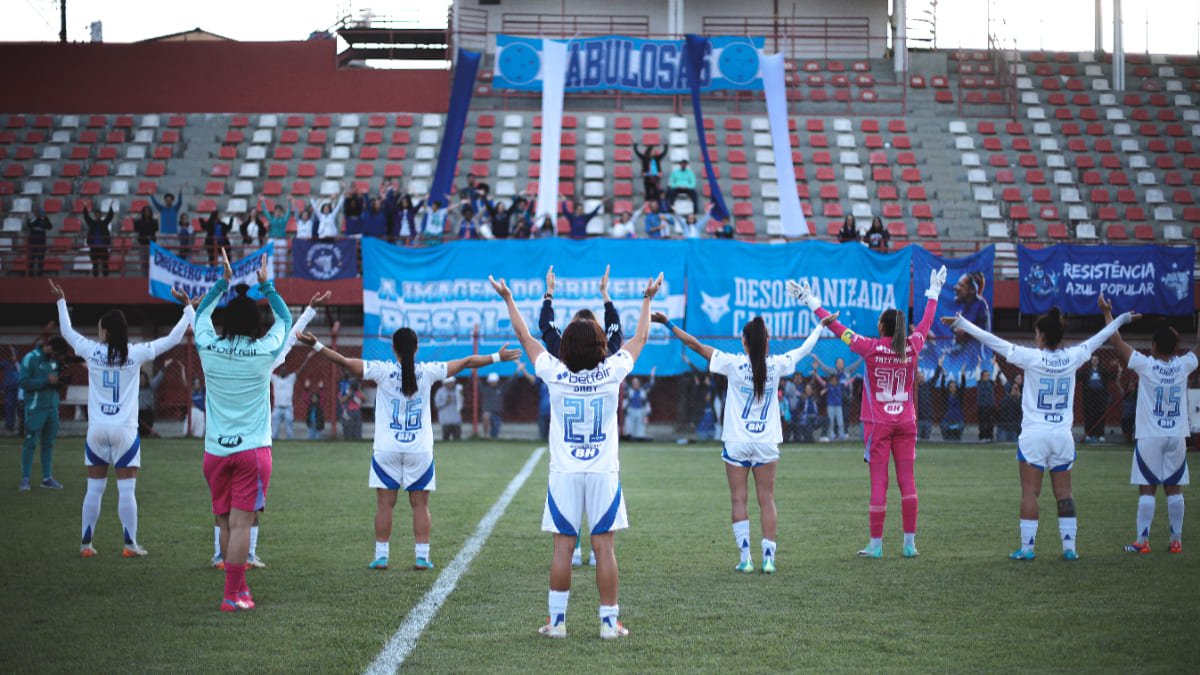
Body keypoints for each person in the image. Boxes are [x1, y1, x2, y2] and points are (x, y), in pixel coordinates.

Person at [490, 269, 661, 640]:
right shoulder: (613, 369)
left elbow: (525, 335)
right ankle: (608, 623)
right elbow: (642, 336)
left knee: (563, 548)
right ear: (601, 342)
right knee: (604, 548)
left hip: (565, 473)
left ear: (565, 344)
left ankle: (557, 622)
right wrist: (647, 297)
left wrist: (509, 299)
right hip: (603, 472)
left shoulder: (554, 371)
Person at [297, 328, 518, 571]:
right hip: (419, 449)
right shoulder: (428, 372)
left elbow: (344, 362)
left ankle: (381, 555)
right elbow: (467, 362)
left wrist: (316, 345)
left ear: (394, 349)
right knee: (421, 505)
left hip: (386, 448)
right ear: (416, 348)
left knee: (384, 504)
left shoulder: (382, 371)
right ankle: (422, 556)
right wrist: (497, 357)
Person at [944, 300, 1136, 561]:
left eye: (1036, 334)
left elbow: (994, 341)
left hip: (1034, 435)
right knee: (1065, 494)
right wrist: (1121, 318)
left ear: (1043, 337)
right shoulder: (1074, 355)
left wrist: (962, 324)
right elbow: (1100, 337)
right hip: (1061, 436)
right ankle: (1069, 548)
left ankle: (1027, 549)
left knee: (1030, 493)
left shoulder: (1032, 357)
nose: (1034, 338)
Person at [655, 306, 830, 574]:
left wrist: (667, 324)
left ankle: (746, 558)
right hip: (766, 441)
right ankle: (769, 559)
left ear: (744, 341)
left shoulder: (733, 363)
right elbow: (804, 349)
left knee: (739, 499)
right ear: (767, 342)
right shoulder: (776, 365)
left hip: (737, 441)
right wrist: (820, 326)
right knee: (767, 499)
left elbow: (694, 344)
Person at [790, 266, 946, 558]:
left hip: (878, 424)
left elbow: (837, 329)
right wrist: (933, 292)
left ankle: (876, 545)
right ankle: (909, 544)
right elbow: (925, 323)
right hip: (907, 422)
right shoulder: (912, 347)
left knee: (879, 482)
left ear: (884, 328)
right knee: (907, 481)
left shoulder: (870, 348)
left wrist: (810, 301)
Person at [49, 279, 193, 557]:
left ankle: (86, 544)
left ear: (105, 332)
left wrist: (61, 301)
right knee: (127, 490)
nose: (98, 332)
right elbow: (173, 339)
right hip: (125, 430)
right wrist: (187, 309)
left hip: (97, 429)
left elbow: (66, 331)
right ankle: (130, 545)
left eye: (101, 328)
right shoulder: (136, 353)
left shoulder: (92, 351)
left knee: (94, 488)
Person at [190, 249, 293, 611]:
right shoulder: (264, 351)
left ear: (225, 322)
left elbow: (201, 313)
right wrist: (267, 285)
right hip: (252, 450)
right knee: (242, 524)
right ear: (254, 325)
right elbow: (285, 318)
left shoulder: (207, 346)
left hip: (215, 451)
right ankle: (232, 595)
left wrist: (223, 280)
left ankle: (240, 588)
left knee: (225, 521)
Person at [1100, 295, 1194, 555]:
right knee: (1174, 488)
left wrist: (1108, 313)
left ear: (1152, 346)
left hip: (1151, 435)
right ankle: (1176, 540)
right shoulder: (1183, 365)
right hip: (1176, 435)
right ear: (1176, 347)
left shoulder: (1146, 365)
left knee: (1147, 488)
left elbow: (1116, 341)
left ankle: (1143, 541)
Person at [18, 336, 70, 491]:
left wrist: (60, 381)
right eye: (55, 352)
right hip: (36, 408)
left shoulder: (53, 361)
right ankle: (25, 479)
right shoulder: (30, 358)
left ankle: (47, 478)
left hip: (52, 408)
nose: (56, 356)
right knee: (30, 443)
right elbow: (23, 382)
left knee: (48, 443)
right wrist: (45, 381)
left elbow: (54, 381)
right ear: (48, 346)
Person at [1079, 354, 1112, 443]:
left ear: (1098, 361)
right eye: (1093, 360)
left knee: (1100, 415)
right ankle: (1089, 434)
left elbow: (1110, 376)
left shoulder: (1102, 370)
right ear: (1090, 361)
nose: (1094, 361)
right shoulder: (1087, 371)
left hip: (1100, 396)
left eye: (1096, 360)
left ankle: (1100, 434)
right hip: (1089, 396)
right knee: (1089, 415)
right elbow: (1079, 376)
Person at [83, 204, 115, 277]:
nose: (97, 216)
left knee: (105, 264)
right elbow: (86, 217)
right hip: (94, 247)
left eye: (98, 215)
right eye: (96, 215)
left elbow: (110, 217)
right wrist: (85, 208)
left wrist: (110, 207)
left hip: (103, 247)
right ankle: (95, 279)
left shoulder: (104, 223)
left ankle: (106, 278)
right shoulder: (92, 224)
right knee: (95, 264)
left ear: (100, 216)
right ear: (95, 215)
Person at [622, 370, 655, 440]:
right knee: (629, 425)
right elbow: (623, 383)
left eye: (636, 382)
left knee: (640, 426)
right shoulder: (629, 390)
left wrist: (652, 375)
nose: (635, 384)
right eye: (634, 382)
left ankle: (639, 438)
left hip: (640, 410)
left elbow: (651, 384)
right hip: (630, 410)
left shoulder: (643, 390)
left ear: (639, 383)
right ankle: (630, 437)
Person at [976, 365, 1004, 442]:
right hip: (981, 406)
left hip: (990, 406)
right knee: (982, 422)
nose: (987, 377)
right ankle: (982, 437)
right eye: (985, 375)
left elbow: (994, 373)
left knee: (990, 422)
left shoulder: (991, 382)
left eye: (988, 375)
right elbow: (977, 372)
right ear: (982, 376)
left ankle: (990, 437)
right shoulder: (979, 382)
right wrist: (979, 364)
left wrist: (995, 364)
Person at [137, 367, 167, 438]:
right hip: (137, 412)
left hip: (147, 412)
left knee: (146, 430)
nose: (142, 380)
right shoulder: (135, 388)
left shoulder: (150, 386)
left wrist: (164, 368)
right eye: (140, 379)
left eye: (143, 379)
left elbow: (158, 379)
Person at [938, 369, 965, 441]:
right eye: (951, 386)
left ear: (956, 388)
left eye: (954, 386)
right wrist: (943, 375)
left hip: (958, 419)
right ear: (948, 387)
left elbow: (963, 386)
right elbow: (942, 387)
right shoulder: (945, 396)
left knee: (958, 435)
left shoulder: (959, 396)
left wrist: (963, 375)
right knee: (944, 429)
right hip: (947, 419)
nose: (952, 388)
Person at [26, 204, 53, 276]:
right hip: (32, 243)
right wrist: (35, 218)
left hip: (41, 244)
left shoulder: (44, 219)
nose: (37, 213)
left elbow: (50, 227)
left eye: (38, 212)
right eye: (36, 212)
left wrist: (45, 217)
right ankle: (30, 276)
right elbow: (28, 224)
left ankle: (39, 275)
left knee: (40, 261)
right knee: (31, 261)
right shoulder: (32, 219)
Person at [1, 348, 19, 433]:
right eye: (11, 355)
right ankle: (9, 426)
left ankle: (23, 427)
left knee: (22, 408)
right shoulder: (5, 363)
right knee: (9, 407)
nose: (12, 357)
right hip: (9, 389)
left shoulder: (20, 364)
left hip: (20, 390)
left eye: (14, 354)